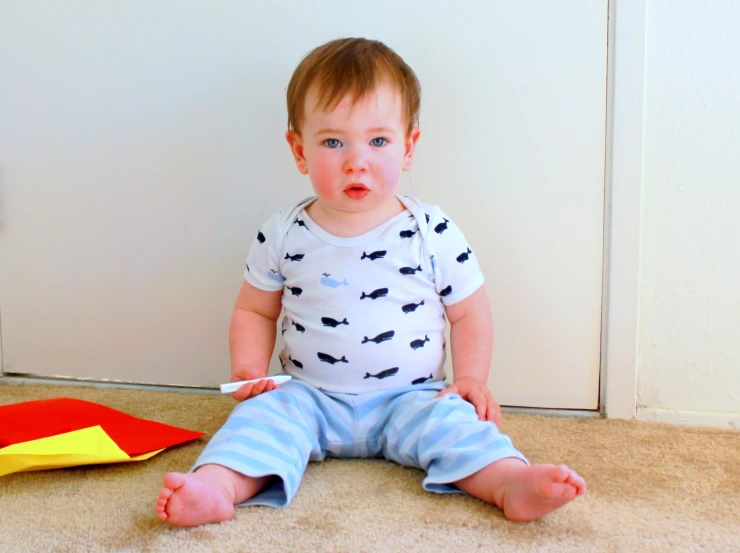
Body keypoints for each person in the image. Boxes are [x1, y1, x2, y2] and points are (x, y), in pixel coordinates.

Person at [155, 37, 586, 527]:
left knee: (457, 426)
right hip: (308, 395)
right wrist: (251, 367)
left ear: (408, 148)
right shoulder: (282, 231)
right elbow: (255, 309)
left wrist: (470, 380)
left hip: (412, 396)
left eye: (378, 141)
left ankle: (510, 482)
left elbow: (469, 311)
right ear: (299, 149)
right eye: (333, 142)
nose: (355, 161)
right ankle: (216, 489)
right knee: (258, 423)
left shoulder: (432, 230)